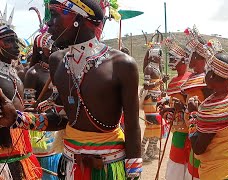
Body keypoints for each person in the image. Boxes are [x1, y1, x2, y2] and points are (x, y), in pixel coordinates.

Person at [0, 0, 142, 179]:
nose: (48, 23)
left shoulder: (121, 64)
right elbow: (61, 119)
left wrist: (134, 173)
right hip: (70, 166)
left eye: (55, 15)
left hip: (110, 168)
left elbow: (132, 126)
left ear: (79, 18)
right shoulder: (57, 62)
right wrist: (18, 118)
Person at [187, 38, 228, 180]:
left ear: (211, 75)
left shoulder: (211, 110)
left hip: (216, 173)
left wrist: (193, 114)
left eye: (206, 71)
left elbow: (198, 148)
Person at [0, 6, 42, 179]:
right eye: (8, 41)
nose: (16, 46)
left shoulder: (16, 74)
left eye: (15, 40)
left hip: (23, 145)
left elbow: (27, 106)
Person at [24, 32, 61, 180]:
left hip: (58, 125)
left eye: (54, 43)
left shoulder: (59, 70)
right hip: (42, 132)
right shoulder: (32, 73)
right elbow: (28, 106)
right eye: (48, 45)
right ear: (40, 49)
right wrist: (41, 106)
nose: (52, 47)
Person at [160, 34, 192, 180]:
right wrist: (167, 110)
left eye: (174, 59)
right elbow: (174, 105)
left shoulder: (192, 79)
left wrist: (183, 108)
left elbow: (195, 105)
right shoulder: (173, 81)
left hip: (189, 130)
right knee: (177, 164)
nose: (171, 61)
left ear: (184, 60)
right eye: (171, 58)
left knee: (184, 165)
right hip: (177, 129)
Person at [181, 26, 211, 180]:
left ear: (200, 57)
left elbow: (209, 107)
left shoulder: (207, 81)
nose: (188, 59)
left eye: (191, 56)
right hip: (192, 132)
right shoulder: (193, 78)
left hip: (203, 136)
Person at [140, 40, 164, 162]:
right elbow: (146, 86)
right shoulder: (149, 69)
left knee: (158, 126)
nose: (161, 58)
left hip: (157, 101)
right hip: (150, 101)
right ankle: (141, 149)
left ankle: (150, 150)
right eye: (159, 55)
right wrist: (159, 82)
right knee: (151, 126)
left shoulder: (157, 68)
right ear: (154, 56)